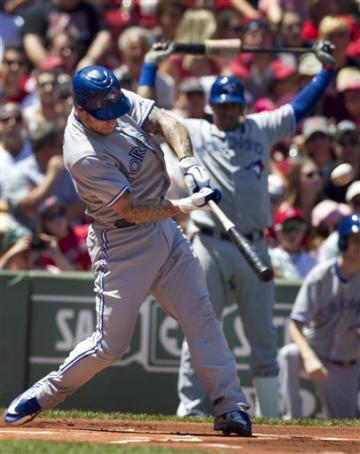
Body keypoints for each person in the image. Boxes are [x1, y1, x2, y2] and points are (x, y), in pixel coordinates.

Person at [4, 65, 253, 437]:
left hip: (163, 230)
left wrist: (189, 162)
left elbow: (167, 122)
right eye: (102, 116)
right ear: (82, 110)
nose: (113, 118)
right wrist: (185, 205)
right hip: (121, 242)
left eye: (115, 108)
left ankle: (230, 406)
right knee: (110, 346)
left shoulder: (112, 99)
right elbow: (130, 210)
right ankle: (45, 393)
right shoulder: (82, 153)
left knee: (201, 316)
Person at [170, 40, 337, 417]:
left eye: (233, 105)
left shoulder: (259, 128)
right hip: (209, 242)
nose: (227, 112)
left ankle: (272, 413)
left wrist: (326, 72)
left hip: (253, 242)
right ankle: (191, 408)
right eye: (222, 106)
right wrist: (152, 67)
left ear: (242, 105)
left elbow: (299, 108)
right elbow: (151, 114)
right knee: (200, 328)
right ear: (211, 106)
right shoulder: (195, 129)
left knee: (262, 334)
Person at [278, 213, 360, 419]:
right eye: (356, 240)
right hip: (316, 354)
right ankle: (291, 420)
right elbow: (295, 324)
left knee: (344, 426)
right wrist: (309, 357)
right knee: (290, 355)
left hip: (346, 365)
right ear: (343, 241)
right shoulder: (321, 275)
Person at [270, 207, 318, 280]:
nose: (292, 234)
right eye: (287, 228)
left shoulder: (312, 261)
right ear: (278, 231)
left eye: (297, 228)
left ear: (303, 232)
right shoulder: (269, 258)